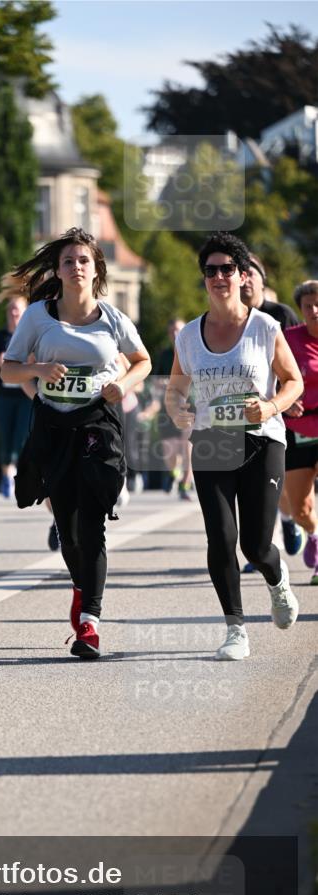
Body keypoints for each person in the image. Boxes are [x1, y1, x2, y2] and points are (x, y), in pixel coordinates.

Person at [0, 227, 151, 659]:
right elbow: (8, 371)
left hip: (97, 423)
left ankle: (90, 623)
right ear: (59, 270)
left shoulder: (112, 319)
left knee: (93, 521)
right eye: (69, 261)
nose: (76, 267)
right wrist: (39, 369)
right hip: (53, 426)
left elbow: (143, 361)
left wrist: (122, 383)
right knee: (67, 526)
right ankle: (81, 585)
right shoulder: (37, 316)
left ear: (96, 269)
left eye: (84, 261)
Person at [165, 232, 303, 660]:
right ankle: (235, 628)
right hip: (213, 441)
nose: (220, 276)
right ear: (204, 278)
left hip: (262, 440)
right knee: (221, 538)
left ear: (243, 276)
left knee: (255, 545)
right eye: (211, 270)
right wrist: (177, 411)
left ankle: (277, 580)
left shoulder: (264, 327)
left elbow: (293, 380)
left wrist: (271, 406)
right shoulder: (189, 335)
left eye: (228, 269)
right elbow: (175, 387)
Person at [240, 253, 303, 564]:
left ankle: (289, 520)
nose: (246, 278)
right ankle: (259, 548)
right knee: (255, 485)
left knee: (288, 485)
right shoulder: (229, 321)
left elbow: (299, 361)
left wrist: (287, 398)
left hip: (288, 411)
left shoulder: (280, 314)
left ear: (262, 280)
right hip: (247, 420)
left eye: (252, 273)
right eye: (242, 273)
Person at [283, 280, 318, 584]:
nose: (315, 310)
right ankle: (313, 534)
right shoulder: (289, 339)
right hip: (298, 428)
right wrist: (284, 401)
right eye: (308, 306)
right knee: (300, 508)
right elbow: (270, 377)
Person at [0, 296, 33, 498]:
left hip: (26, 394)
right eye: (11, 309)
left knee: (22, 435)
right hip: (4, 396)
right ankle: (7, 475)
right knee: (5, 435)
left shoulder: (32, 337)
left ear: (25, 313)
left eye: (19, 309)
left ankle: (15, 472)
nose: (14, 313)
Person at [145, 318, 193, 500]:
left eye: (179, 330)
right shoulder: (165, 355)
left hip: (190, 405)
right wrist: (164, 383)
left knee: (187, 446)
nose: (175, 334)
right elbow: (155, 381)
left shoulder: (193, 351)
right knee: (169, 450)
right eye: (172, 331)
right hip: (169, 407)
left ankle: (185, 484)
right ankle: (174, 475)